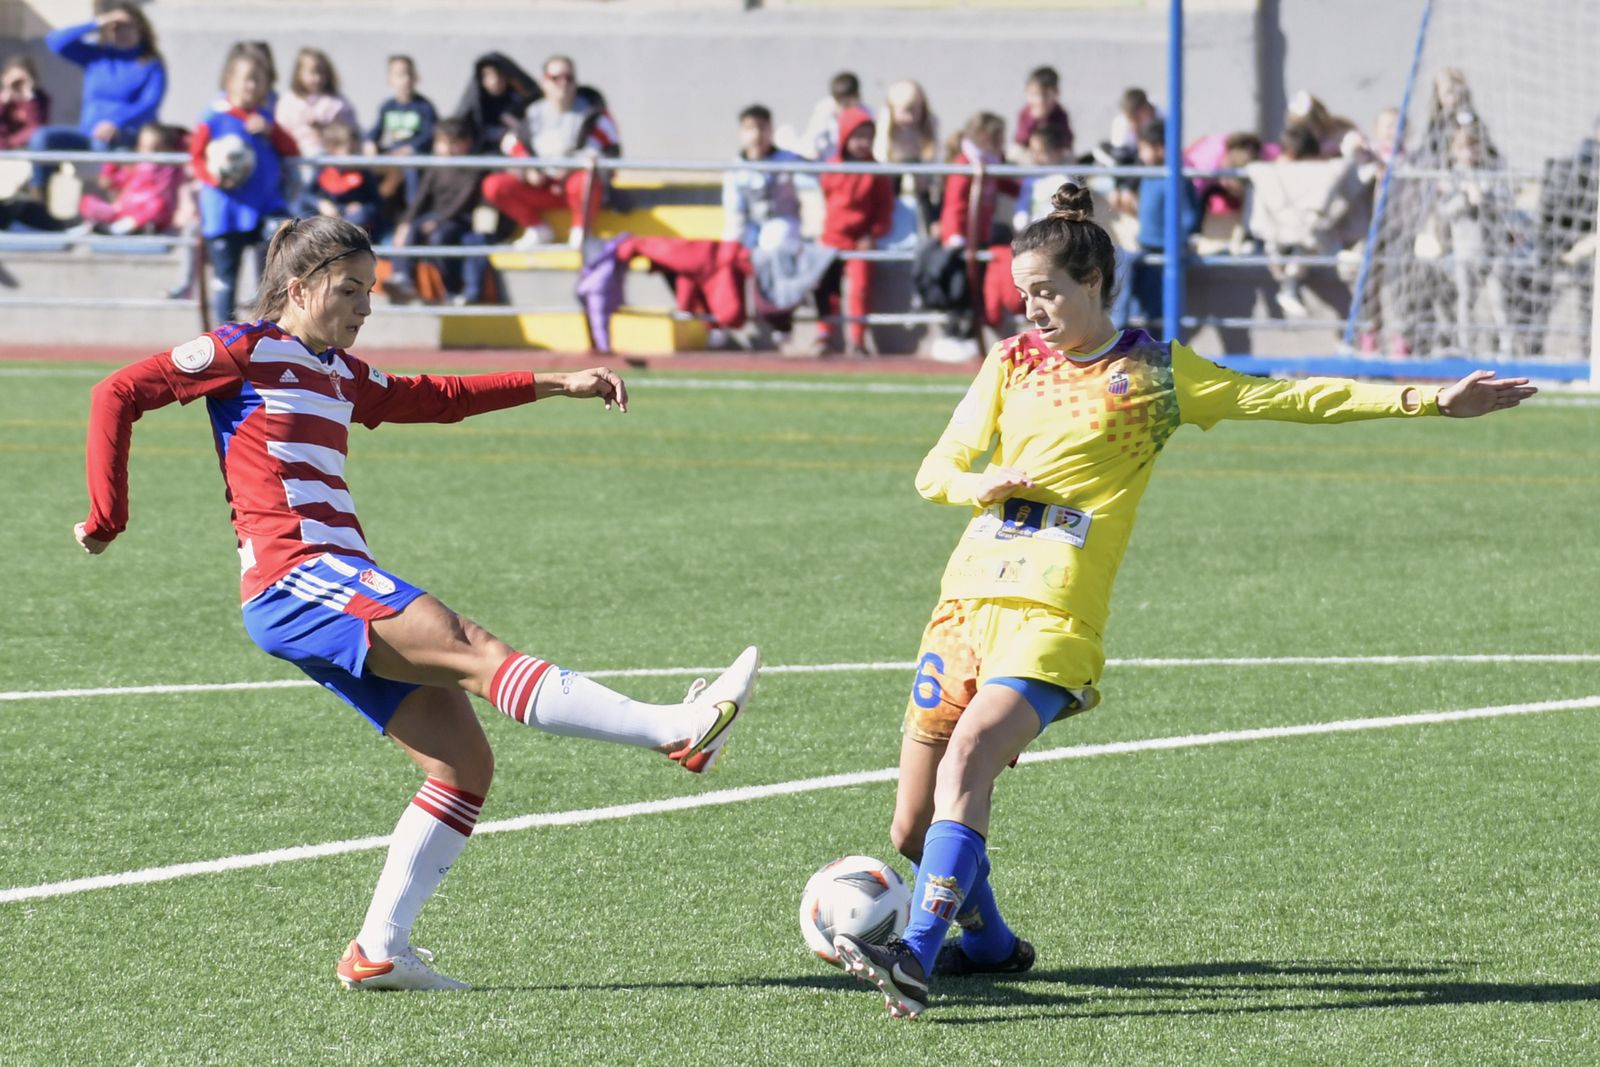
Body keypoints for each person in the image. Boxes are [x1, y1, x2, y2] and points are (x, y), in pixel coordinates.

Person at [830, 181, 1536, 1019]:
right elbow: (934, 470)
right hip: (963, 608)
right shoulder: (1011, 361)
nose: (1034, 307)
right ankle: (986, 942)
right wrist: (984, 479)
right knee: (911, 829)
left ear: (1094, 280)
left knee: (970, 757)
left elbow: (1292, 395)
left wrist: (1425, 398)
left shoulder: (1158, 376)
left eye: (1048, 291)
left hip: (1054, 615)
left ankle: (915, 954)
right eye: (1023, 293)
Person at [74, 214, 762, 992]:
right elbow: (118, 391)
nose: (365, 306)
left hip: (325, 582)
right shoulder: (245, 349)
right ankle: (677, 731)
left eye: (372, 289)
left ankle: (379, 949)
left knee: (463, 763)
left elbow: (436, 397)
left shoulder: (339, 370)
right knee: (470, 643)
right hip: (298, 576)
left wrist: (552, 381)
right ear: (298, 288)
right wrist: (107, 518)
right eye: (349, 289)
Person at [192, 51, 298, 325]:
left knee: (275, 260)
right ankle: (224, 337)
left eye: (258, 80)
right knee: (225, 277)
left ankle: (266, 326)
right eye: (246, 79)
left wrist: (271, 130)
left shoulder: (265, 119)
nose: (252, 86)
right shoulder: (213, 118)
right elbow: (195, 158)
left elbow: (291, 149)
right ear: (229, 81)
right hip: (226, 212)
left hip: (265, 208)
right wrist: (215, 179)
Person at [25, 4, 166, 199]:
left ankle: (106, 206)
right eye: (116, 27)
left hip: (123, 135)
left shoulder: (149, 63)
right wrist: (97, 23)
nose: (122, 32)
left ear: (140, 28)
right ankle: (40, 196)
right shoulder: (99, 55)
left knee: (104, 149)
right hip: (87, 133)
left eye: (127, 26)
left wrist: (116, 123)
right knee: (42, 138)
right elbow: (55, 41)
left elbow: (149, 103)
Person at [482, 54, 616, 249]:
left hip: (576, 187)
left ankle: (581, 231)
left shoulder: (593, 114)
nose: (562, 84)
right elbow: (512, 146)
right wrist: (529, 169)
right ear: (543, 82)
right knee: (494, 185)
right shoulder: (528, 114)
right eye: (555, 78)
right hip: (540, 186)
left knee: (585, 180)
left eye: (568, 78)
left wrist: (570, 167)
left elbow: (605, 152)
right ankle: (538, 228)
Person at [816, 107, 895, 356]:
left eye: (867, 137)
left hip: (861, 241)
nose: (863, 143)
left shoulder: (877, 172)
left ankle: (857, 339)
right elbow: (828, 200)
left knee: (860, 287)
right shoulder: (832, 168)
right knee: (825, 286)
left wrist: (872, 234)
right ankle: (824, 335)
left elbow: (884, 209)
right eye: (857, 136)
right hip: (832, 238)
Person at [386, 117, 489, 305]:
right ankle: (402, 277)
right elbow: (420, 198)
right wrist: (405, 223)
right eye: (442, 143)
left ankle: (452, 289)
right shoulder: (436, 167)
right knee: (411, 230)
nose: (448, 150)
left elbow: (461, 202)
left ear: (467, 143)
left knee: (439, 238)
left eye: (454, 144)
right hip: (434, 217)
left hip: (459, 220)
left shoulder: (472, 169)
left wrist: (439, 221)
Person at [1129, 117, 1199, 332]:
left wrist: (1180, 242)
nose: (1141, 155)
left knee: (1159, 312)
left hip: (1165, 255)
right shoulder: (1148, 175)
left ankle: (1159, 356)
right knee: (1140, 309)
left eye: (1144, 149)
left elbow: (1189, 216)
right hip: (1145, 250)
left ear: (1160, 149)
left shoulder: (1175, 178)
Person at [721, 103, 806, 251]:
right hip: (750, 225)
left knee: (773, 243)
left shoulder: (789, 160)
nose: (756, 135)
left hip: (782, 221)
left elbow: (818, 177)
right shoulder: (735, 168)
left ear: (771, 130)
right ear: (740, 132)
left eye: (762, 127)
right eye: (749, 128)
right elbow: (734, 211)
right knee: (732, 244)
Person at [364, 54, 438, 220]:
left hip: (414, 155)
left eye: (408, 74)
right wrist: (369, 142)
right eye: (399, 75)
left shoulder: (424, 106)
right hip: (392, 154)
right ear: (390, 80)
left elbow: (428, 135)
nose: (405, 80)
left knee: (409, 168)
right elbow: (375, 130)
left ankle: (413, 211)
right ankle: (372, 210)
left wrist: (409, 148)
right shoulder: (387, 106)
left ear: (415, 77)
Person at [77, 121, 183, 234]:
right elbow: (115, 182)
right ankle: (92, 227)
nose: (149, 153)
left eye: (156, 149)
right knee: (87, 202)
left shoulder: (170, 168)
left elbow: (186, 148)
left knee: (157, 206)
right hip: (124, 209)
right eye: (144, 147)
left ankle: (119, 229)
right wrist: (110, 173)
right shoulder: (134, 166)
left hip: (147, 211)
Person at [873, 80, 941, 240]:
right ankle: (884, 224)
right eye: (905, 112)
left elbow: (934, 152)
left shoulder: (930, 122)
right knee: (889, 191)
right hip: (892, 165)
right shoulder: (885, 121)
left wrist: (927, 177)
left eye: (914, 111)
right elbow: (880, 151)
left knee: (926, 195)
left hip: (919, 164)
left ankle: (931, 227)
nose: (910, 118)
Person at [275, 48, 358, 160]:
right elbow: (281, 130)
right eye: (313, 72)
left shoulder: (337, 103)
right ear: (299, 73)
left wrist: (326, 131)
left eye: (322, 72)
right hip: (295, 159)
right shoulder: (288, 101)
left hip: (329, 160)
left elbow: (351, 133)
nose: (317, 78)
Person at [458, 53, 539, 156]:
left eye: (499, 75)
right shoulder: (474, 105)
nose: (494, 81)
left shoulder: (519, 102)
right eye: (488, 75)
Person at [309, 120, 381, 235]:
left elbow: (376, 203)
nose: (354, 155)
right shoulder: (322, 168)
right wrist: (321, 203)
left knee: (358, 217)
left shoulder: (363, 172)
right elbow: (307, 194)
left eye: (355, 150)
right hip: (327, 219)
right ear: (332, 150)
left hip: (352, 226)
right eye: (350, 151)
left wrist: (362, 207)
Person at [1010, 66, 1073, 163]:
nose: (1040, 100)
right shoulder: (1026, 113)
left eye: (1046, 95)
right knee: (1014, 153)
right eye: (1035, 94)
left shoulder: (1060, 114)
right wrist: (1034, 120)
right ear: (1027, 92)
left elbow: (1067, 141)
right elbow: (1020, 140)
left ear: (1056, 93)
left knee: (1070, 157)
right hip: (1032, 154)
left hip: (1052, 155)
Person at [803, 71, 861, 162]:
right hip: (825, 164)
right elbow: (812, 142)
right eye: (840, 104)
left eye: (847, 104)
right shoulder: (824, 109)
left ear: (857, 97)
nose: (843, 109)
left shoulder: (865, 113)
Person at [0, 55, 50, 150]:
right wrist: (3, 102)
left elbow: (37, 128)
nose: (17, 84)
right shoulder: (3, 99)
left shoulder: (39, 100)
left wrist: (29, 98)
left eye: (21, 81)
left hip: (26, 149)